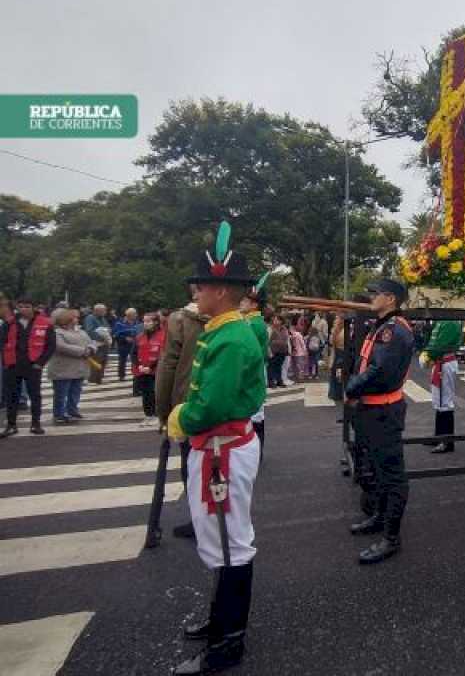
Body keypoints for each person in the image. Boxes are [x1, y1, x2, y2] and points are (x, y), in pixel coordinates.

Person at [166, 222, 265, 675]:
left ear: (221, 291)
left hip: (222, 450)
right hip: (217, 447)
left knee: (230, 545)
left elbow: (215, 403)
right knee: (219, 542)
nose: (196, 291)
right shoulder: (222, 329)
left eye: (201, 285)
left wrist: (182, 417)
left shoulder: (230, 334)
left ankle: (228, 643)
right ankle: (219, 622)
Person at [345, 279, 415, 565]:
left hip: (383, 411)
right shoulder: (382, 325)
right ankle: (379, 517)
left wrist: (351, 387)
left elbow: (380, 371)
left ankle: (391, 537)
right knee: (375, 468)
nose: (371, 297)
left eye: (376, 294)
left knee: (392, 475)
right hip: (370, 410)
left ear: (390, 299)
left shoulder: (394, 331)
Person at [152, 287, 207, 545]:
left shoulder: (180, 320)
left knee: (192, 465)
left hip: (188, 404)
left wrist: (163, 412)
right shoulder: (238, 321)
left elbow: (168, 366)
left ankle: (200, 518)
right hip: (224, 409)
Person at [1, 297, 55, 436]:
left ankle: (35, 424)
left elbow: (51, 346)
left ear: (34, 307)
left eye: (27, 306)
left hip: (33, 365)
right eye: (20, 306)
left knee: (35, 395)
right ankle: (11, 425)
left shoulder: (45, 323)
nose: (23, 309)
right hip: (12, 364)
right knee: (11, 396)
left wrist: (40, 363)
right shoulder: (9, 322)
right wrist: (4, 362)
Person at [420, 319, 462, 454]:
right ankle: (439, 436)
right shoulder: (441, 320)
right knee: (438, 401)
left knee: (445, 402)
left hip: (445, 363)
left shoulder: (450, 321)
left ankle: (447, 441)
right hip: (440, 362)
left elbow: (441, 345)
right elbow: (434, 341)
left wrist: (428, 355)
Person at [48, 308, 95, 425]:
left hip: (79, 367)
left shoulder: (81, 331)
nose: (76, 319)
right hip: (62, 369)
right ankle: (59, 413)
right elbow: (60, 347)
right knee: (61, 393)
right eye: (74, 317)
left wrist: (91, 348)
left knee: (75, 391)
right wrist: (83, 351)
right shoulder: (56, 332)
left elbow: (91, 342)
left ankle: (72, 410)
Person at [240, 275, 270, 458]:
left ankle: (256, 452)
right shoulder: (251, 322)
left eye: (245, 300)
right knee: (255, 412)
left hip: (253, 371)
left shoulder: (253, 324)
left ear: (254, 305)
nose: (241, 303)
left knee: (255, 413)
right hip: (255, 370)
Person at [130, 312, 166, 428]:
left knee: (155, 393)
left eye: (148, 321)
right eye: (144, 321)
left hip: (156, 370)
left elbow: (163, 355)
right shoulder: (140, 336)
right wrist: (139, 365)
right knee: (145, 394)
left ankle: (157, 415)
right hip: (142, 370)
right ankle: (148, 415)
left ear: (156, 322)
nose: (145, 324)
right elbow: (134, 353)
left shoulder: (163, 336)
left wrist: (150, 367)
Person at [83, 303, 111, 384]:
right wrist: (102, 337)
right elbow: (90, 331)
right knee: (96, 361)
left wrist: (108, 331)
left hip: (104, 343)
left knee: (103, 361)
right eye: (103, 310)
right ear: (97, 310)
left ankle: (99, 378)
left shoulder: (103, 318)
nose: (105, 312)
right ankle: (92, 379)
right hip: (96, 344)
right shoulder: (90, 318)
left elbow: (108, 327)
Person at [112, 308, 141, 381]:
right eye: (134, 314)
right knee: (122, 360)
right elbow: (115, 334)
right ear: (129, 315)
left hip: (134, 344)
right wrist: (125, 338)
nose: (136, 315)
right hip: (123, 345)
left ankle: (135, 374)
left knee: (135, 360)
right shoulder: (120, 323)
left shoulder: (137, 323)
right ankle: (121, 376)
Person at [267, 315, 290, 388]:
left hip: (282, 351)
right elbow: (267, 341)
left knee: (279, 366)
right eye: (274, 319)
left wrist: (288, 349)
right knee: (271, 367)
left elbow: (287, 340)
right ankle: (271, 382)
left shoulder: (284, 329)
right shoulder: (270, 329)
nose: (274, 321)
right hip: (273, 351)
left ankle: (279, 381)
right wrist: (269, 351)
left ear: (281, 321)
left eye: (276, 319)